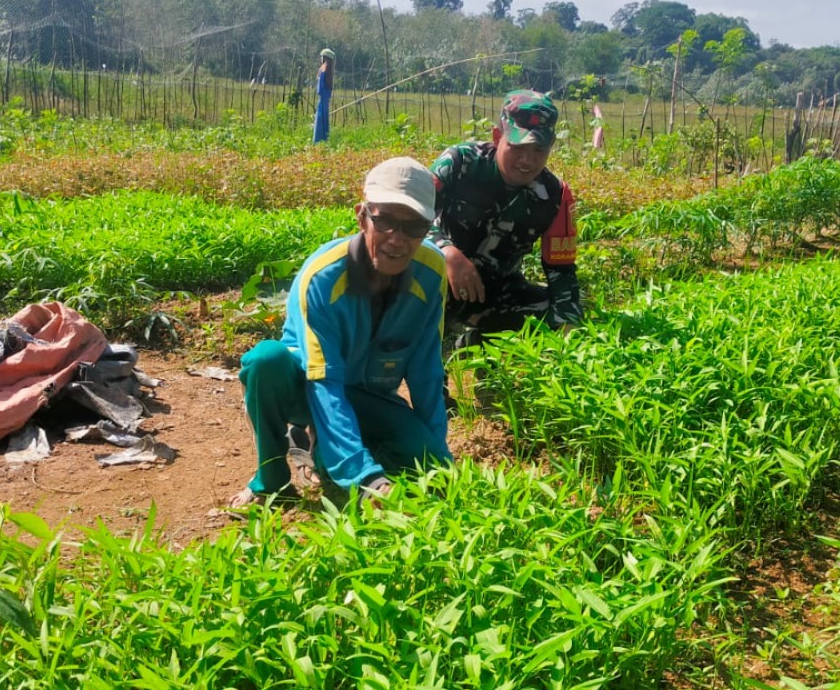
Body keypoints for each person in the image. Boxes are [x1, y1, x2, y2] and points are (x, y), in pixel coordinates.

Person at [233, 157, 451, 505]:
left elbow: (426, 371)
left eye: (414, 227)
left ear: (428, 228)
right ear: (362, 216)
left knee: (427, 461)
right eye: (386, 221)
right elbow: (325, 381)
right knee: (266, 360)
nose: (398, 239)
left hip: (371, 394)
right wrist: (368, 480)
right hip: (307, 387)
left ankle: (322, 446)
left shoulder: (432, 271)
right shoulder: (323, 277)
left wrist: (442, 459)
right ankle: (271, 479)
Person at [429, 89, 583, 344]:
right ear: (497, 136)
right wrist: (445, 250)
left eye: (538, 149)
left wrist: (568, 328)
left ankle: (477, 341)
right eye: (517, 146)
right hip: (437, 281)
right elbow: (410, 216)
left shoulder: (554, 195)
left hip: (496, 292)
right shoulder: (460, 162)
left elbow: (562, 272)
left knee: (557, 311)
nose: (527, 160)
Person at [313, 48, 335, 143]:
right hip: (325, 100)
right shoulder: (328, 70)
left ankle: (318, 141)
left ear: (325, 58)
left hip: (321, 100)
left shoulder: (322, 69)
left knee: (319, 121)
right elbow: (329, 86)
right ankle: (323, 141)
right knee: (323, 122)